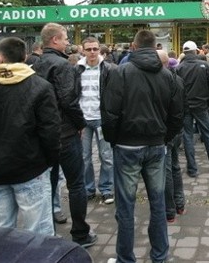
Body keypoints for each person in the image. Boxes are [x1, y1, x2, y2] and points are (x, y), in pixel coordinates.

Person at [0, 37, 61, 236]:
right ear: (25, 56)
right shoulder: (41, 87)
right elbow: (51, 132)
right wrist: (47, 162)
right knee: (39, 236)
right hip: (32, 170)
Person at [102, 30, 184, 263]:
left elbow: (109, 113)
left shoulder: (121, 72)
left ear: (134, 46)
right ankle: (159, 256)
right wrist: (163, 136)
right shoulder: (168, 76)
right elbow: (177, 115)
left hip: (128, 146)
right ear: (155, 47)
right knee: (158, 204)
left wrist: (114, 139)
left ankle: (125, 259)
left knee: (125, 207)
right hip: (156, 146)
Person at [34, 22, 96, 248]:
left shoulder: (37, 64)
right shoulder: (62, 66)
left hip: (43, 134)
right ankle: (80, 233)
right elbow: (69, 100)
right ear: (54, 40)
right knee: (76, 183)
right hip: (65, 133)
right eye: (66, 37)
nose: (69, 41)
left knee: (46, 184)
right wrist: (81, 124)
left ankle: (47, 230)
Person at [76, 37, 115, 205]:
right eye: (89, 49)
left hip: (102, 119)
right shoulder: (76, 69)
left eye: (95, 49)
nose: (92, 52)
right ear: (83, 51)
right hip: (83, 119)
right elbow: (72, 94)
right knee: (84, 158)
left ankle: (106, 189)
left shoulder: (109, 68)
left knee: (106, 156)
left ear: (100, 50)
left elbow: (115, 94)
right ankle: (88, 189)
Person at [176, 40, 209, 177]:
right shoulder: (204, 65)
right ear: (196, 51)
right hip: (201, 106)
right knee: (207, 134)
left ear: (184, 52)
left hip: (185, 107)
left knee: (188, 137)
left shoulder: (179, 68)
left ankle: (192, 169)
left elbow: (176, 90)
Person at [157, 49, 187, 224]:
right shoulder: (178, 80)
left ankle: (169, 211)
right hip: (177, 130)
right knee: (175, 167)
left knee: (167, 170)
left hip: (166, 132)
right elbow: (183, 107)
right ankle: (180, 204)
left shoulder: (160, 81)